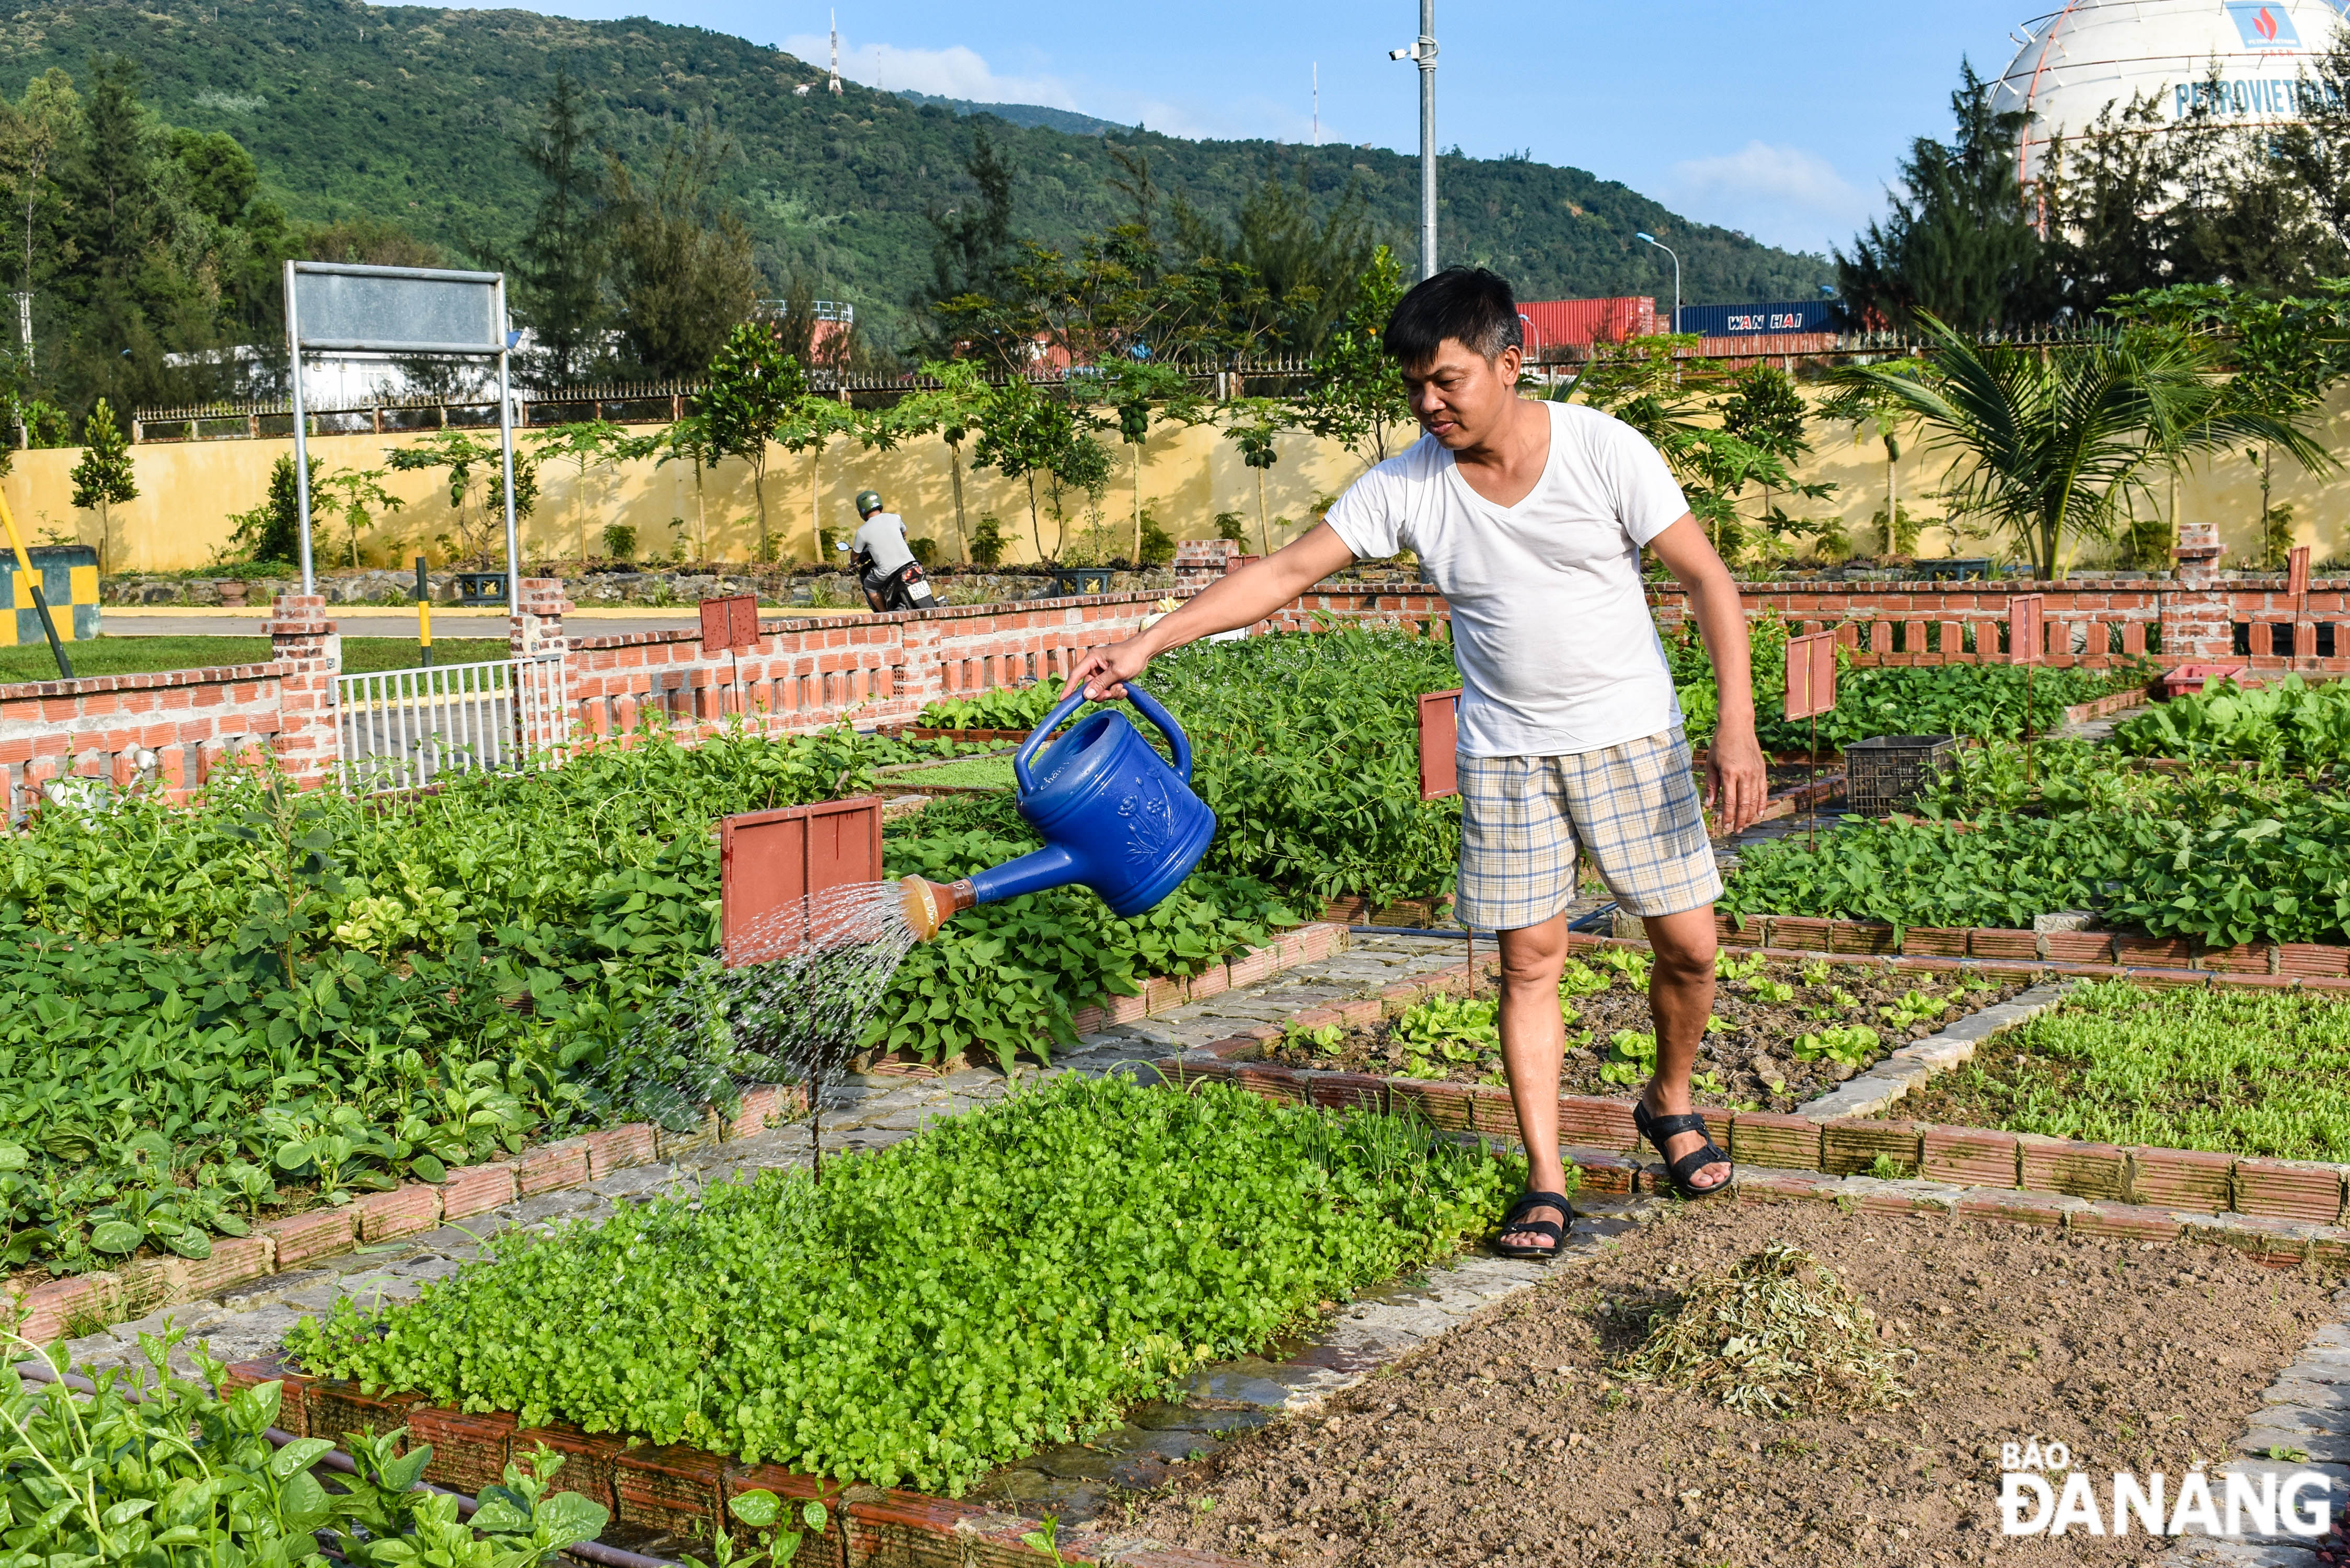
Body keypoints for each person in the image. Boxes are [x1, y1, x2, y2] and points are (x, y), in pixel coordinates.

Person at [1059, 267, 1767, 1261]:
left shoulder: (1606, 449)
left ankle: (1669, 1100)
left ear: (1509, 365)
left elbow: (1708, 577)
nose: (1428, 404)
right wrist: (1146, 644)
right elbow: (1284, 572)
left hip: (1630, 740)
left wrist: (1733, 726)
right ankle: (1547, 1180)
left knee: (1690, 947)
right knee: (1529, 962)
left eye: (1447, 381)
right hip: (1508, 755)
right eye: (1414, 388)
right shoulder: (1407, 485)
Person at [845, 490, 936, 612]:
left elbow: (856, 554)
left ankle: (885, 616)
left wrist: (852, 563)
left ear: (861, 510)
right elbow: (904, 532)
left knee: (870, 586)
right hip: (912, 564)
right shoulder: (895, 518)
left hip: (888, 571)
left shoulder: (863, 531)